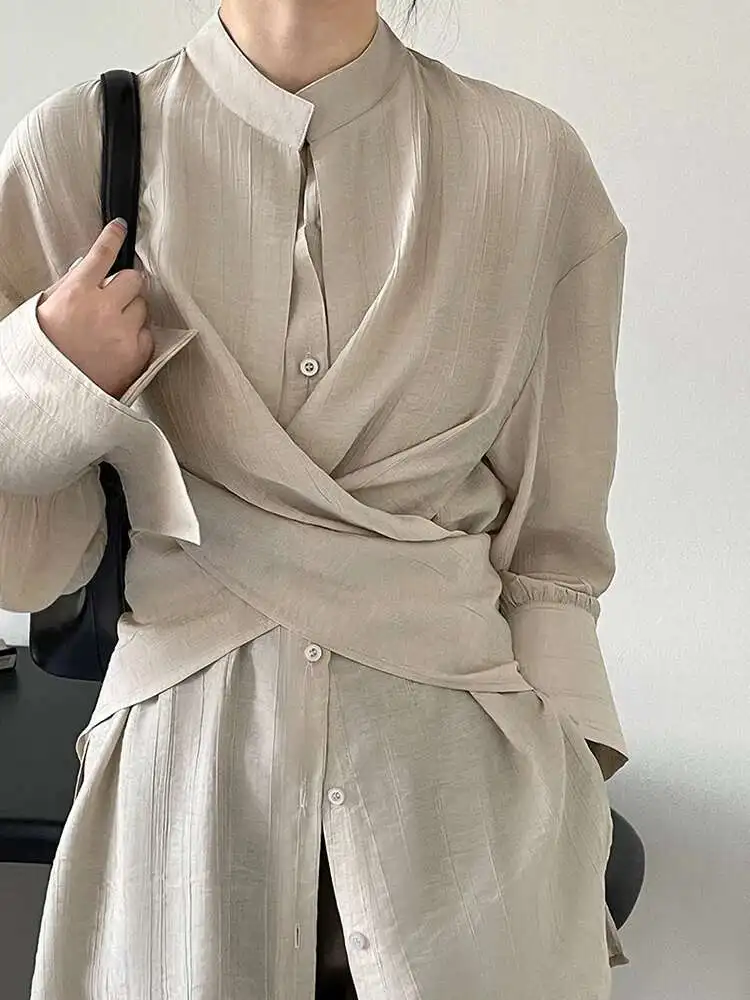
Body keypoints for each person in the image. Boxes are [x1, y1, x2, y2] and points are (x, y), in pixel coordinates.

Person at [0, 0, 631, 996]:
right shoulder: (74, 151)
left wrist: (570, 790)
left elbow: (554, 552)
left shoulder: (530, 164)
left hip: (467, 811)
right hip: (185, 797)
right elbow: (29, 552)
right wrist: (48, 376)